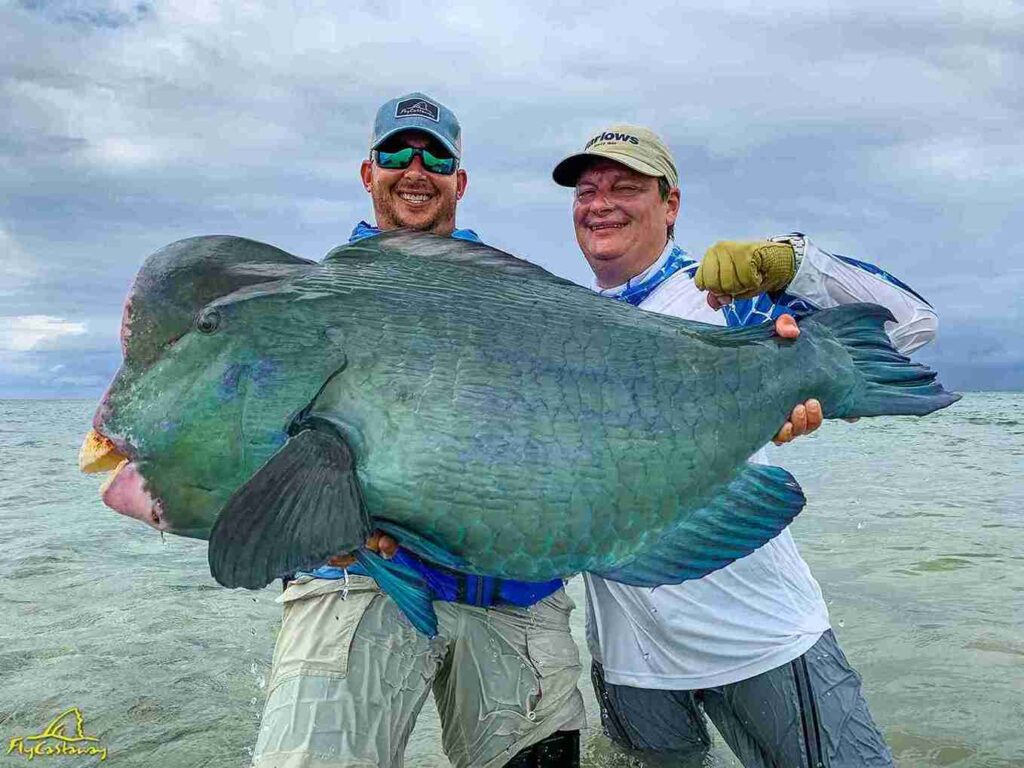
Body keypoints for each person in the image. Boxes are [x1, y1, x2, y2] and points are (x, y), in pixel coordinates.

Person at [551, 124, 937, 767]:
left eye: (625, 187)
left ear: (671, 204)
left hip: (757, 638)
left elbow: (912, 326)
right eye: (586, 191)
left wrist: (792, 263)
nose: (600, 203)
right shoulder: (563, 324)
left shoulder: (729, 299)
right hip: (629, 659)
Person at [252, 93, 586, 768]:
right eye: (396, 153)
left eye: (435, 158)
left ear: (459, 181)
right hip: (360, 579)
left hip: (508, 587)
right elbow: (262, 436)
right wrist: (309, 524)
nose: (415, 169)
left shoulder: (517, 295)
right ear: (367, 172)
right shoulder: (314, 297)